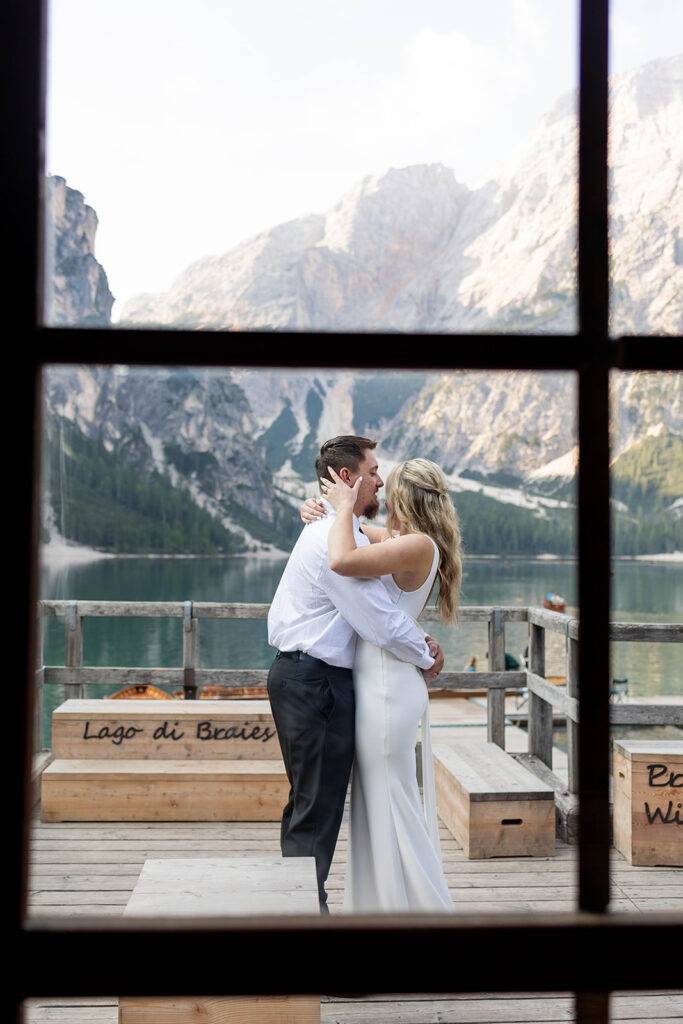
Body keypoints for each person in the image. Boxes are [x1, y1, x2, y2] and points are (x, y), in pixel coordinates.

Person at [267, 436, 444, 914]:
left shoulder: (347, 533)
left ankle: (315, 915)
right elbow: (380, 622)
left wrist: (330, 509)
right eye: (372, 471)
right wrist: (425, 655)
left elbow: (380, 605)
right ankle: (307, 921)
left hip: (320, 681)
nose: (379, 481)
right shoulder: (335, 538)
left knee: (315, 808)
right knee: (315, 814)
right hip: (316, 683)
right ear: (348, 479)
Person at [304, 456, 462, 913]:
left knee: (392, 806)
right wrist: (318, 509)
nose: (383, 496)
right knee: (379, 806)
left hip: (387, 689)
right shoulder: (407, 542)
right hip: (382, 682)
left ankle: (419, 919)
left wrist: (341, 507)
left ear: (402, 497)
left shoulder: (414, 545)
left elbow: (341, 558)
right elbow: (351, 533)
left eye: (388, 489)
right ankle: (384, 918)